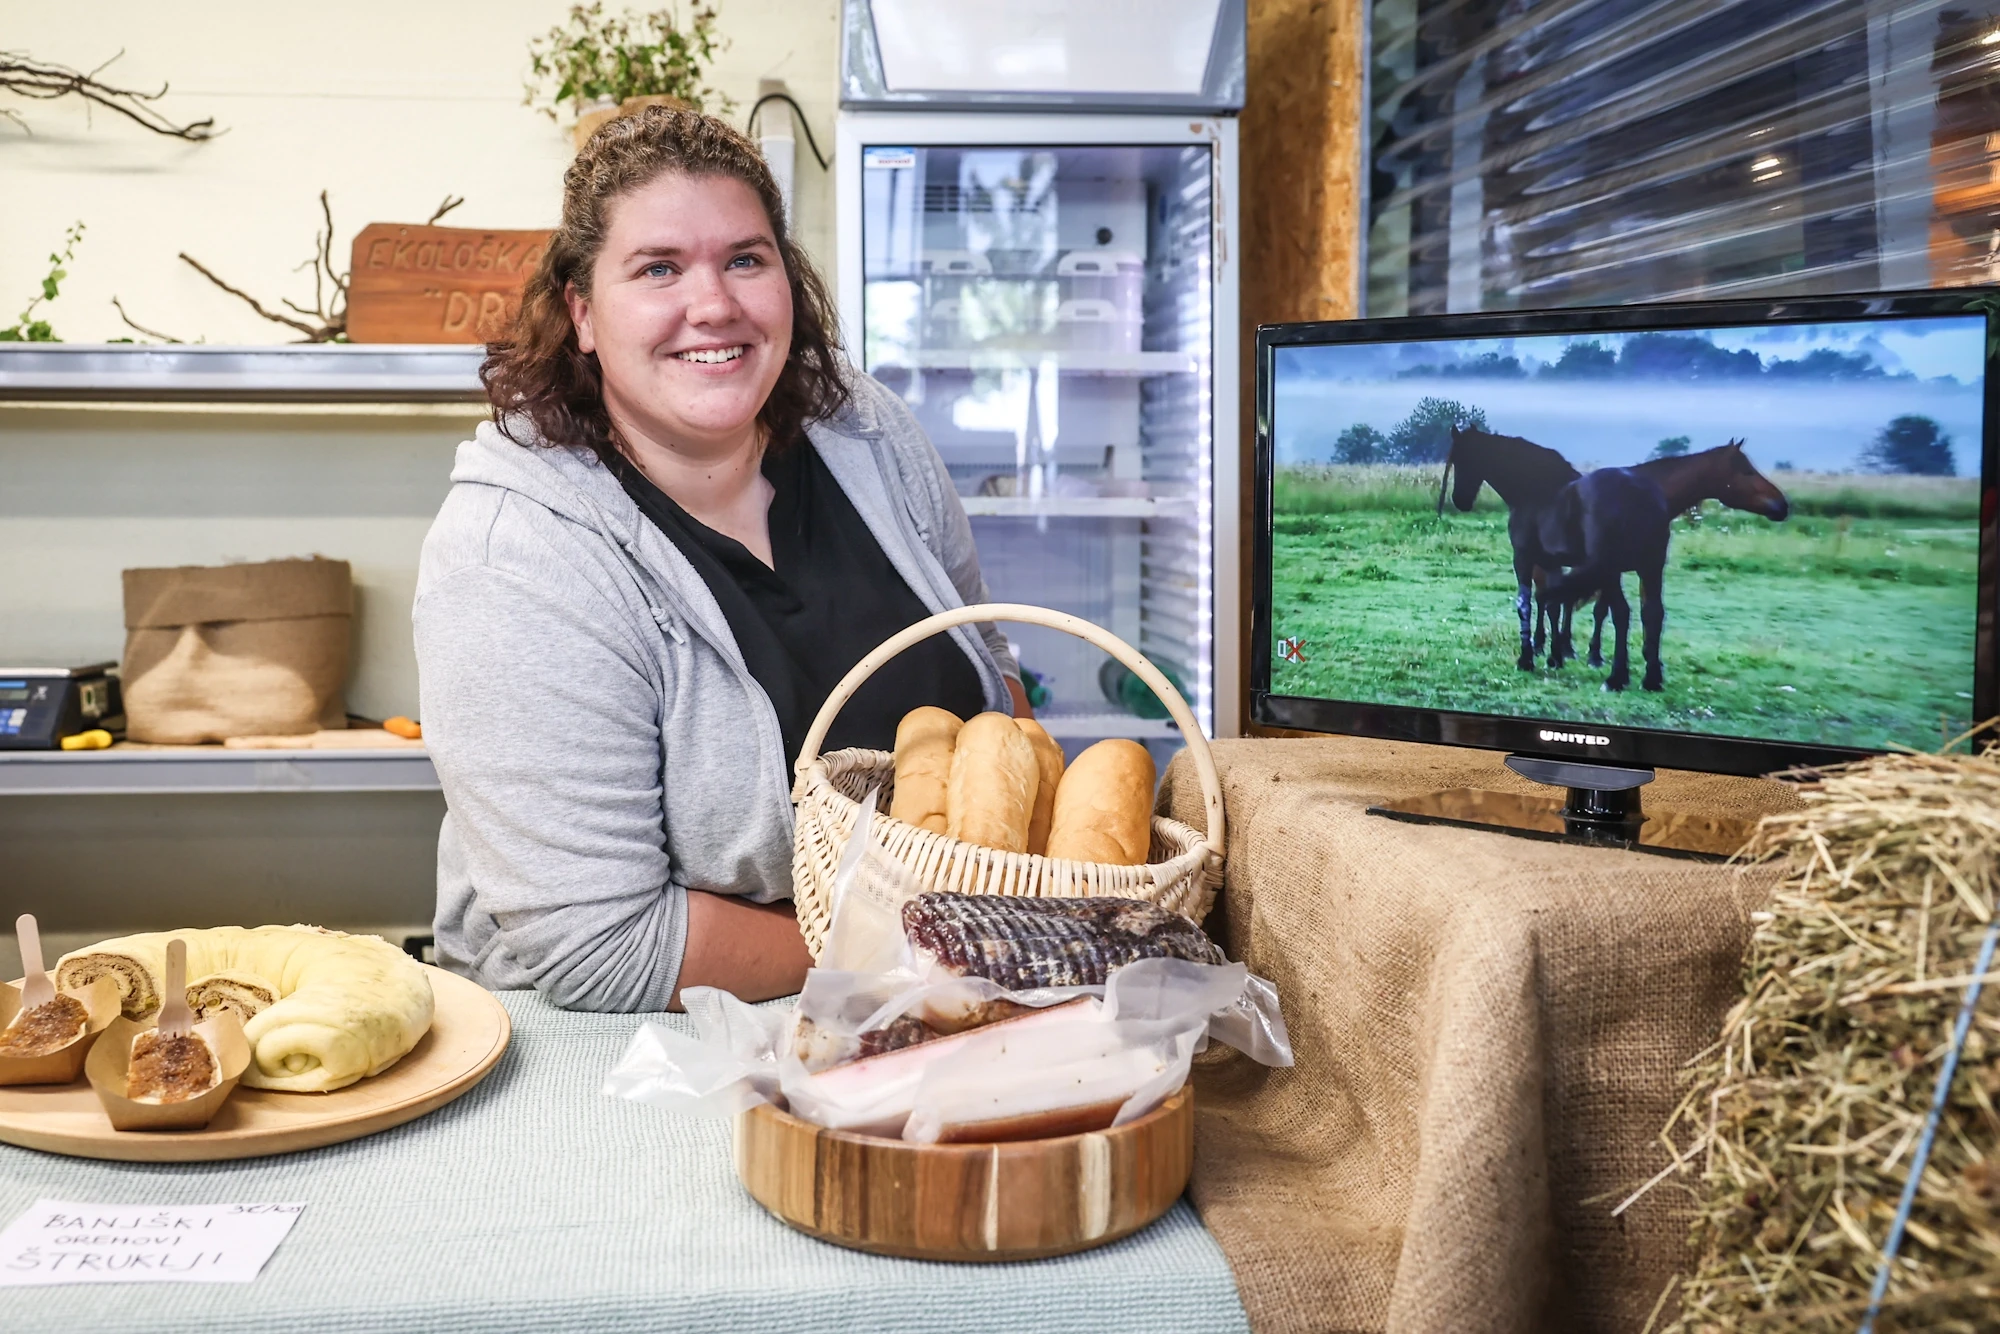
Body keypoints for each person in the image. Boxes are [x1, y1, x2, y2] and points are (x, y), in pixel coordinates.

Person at [414, 108, 1026, 1012]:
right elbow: (604, 950)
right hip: (614, 1054)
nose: (716, 304)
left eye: (746, 258)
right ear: (582, 311)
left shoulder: (869, 433)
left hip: (939, 998)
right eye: (659, 269)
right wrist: (919, 957)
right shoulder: (515, 554)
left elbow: (992, 678)